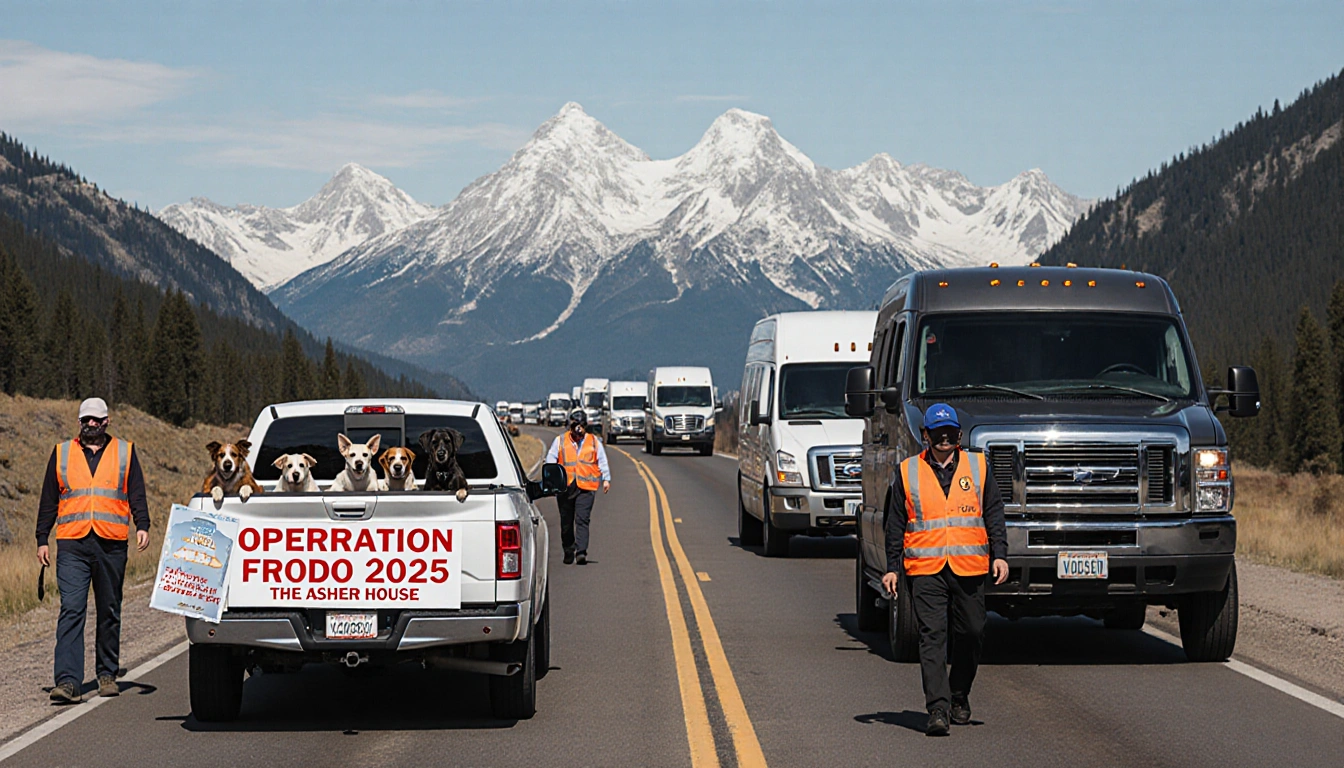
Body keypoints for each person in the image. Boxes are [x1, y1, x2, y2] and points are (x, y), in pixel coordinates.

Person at [882, 403, 1007, 736]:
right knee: (932, 636)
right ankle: (937, 709)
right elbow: (895, 524)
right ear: (926, 436)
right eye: (938, 434)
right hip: (925, 568)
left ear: (959, 435)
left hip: (969, 566)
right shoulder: (907, 472)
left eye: (950, 433)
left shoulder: (979, 467)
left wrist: (1000, 555)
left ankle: (958, 694)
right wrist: (892, 567)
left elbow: (994, 512)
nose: (944, 439)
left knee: (972, 632)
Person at [35, 398, 150, 704]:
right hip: (73, 543)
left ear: (106, 422)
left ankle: (107, 674)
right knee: (72, 609)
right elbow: (49, 498)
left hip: (111, 543)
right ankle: (68, 681)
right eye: (85, 420)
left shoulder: (125, 452)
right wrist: (42, 538)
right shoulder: (62, 453)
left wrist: (143, 524)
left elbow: (135, 491)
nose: (90, 425)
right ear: (79, 422)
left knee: (109, 609)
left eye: (96, 420)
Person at [545, 409, 610, 565]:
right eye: (575, 424)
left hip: (586, 487)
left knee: (582, 520)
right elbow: (550, 460)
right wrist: (550, 479)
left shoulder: (593, 441)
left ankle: (581, 552)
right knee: (566, 522)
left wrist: (606, 479)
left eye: (581, 425)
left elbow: (602, 461)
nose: (578, 428)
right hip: (565, 488)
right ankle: (568, 549)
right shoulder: (560, 441)